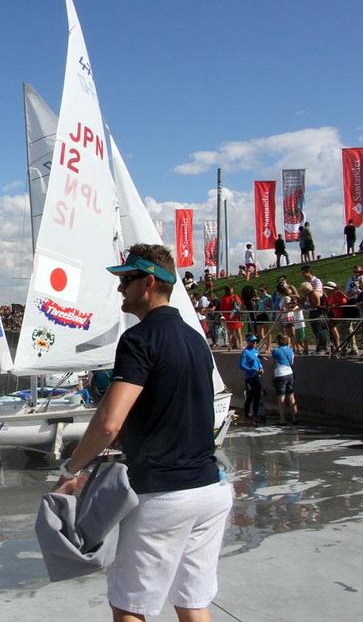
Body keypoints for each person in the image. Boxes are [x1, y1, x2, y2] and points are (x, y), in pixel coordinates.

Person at [54, 244, 231, 621]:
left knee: (130, 606)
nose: (120, 287)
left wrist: (72, 471)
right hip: (209, 489)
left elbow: (108, 422)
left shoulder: (138, 340)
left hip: (163, 497)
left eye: (126, 279)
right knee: (193, 601)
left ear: (148, 282)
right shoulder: (196, 340)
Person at [271, 334, 298, 424]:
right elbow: (292, 362)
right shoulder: (290, 350)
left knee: (281, 398)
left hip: (280, 374)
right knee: (291, 396)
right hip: (290, 373)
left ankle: (282, 419)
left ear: (279, 341)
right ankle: (294, 418)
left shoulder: (275, 350)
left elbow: (274, 363)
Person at [240, 334, 265, 426]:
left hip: (257, 377)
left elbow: (258, 361)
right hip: (249, 378)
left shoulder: (256, 351)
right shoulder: (245, 352)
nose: (255, 343)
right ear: (248, 342)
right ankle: (246, 414)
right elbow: (241, 365)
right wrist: (251, 370)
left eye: (255, 341)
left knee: (257, 396)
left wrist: (261, 367)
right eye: (253, 341)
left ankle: (255, 415)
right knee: (250, 396)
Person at [324, 281, 350, 354]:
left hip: (343, 315)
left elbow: (344, 301)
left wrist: (336, 304)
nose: (326, 290)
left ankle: (345, 349)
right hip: (335, 316)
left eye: (328, 289)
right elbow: (327, 304)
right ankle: (339, 348)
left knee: (344, 333)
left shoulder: (338, 293)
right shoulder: (329, 296)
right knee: (338, 332)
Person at [217, 286, 243, 351]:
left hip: (228, 316)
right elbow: (239, 304)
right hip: (235, 316)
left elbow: (221, 308)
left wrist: (223, 315)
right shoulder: (234, 296)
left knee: (230, 332)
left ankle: (230, 346)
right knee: (238, 331)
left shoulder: (224, 298)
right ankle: (240, 345)